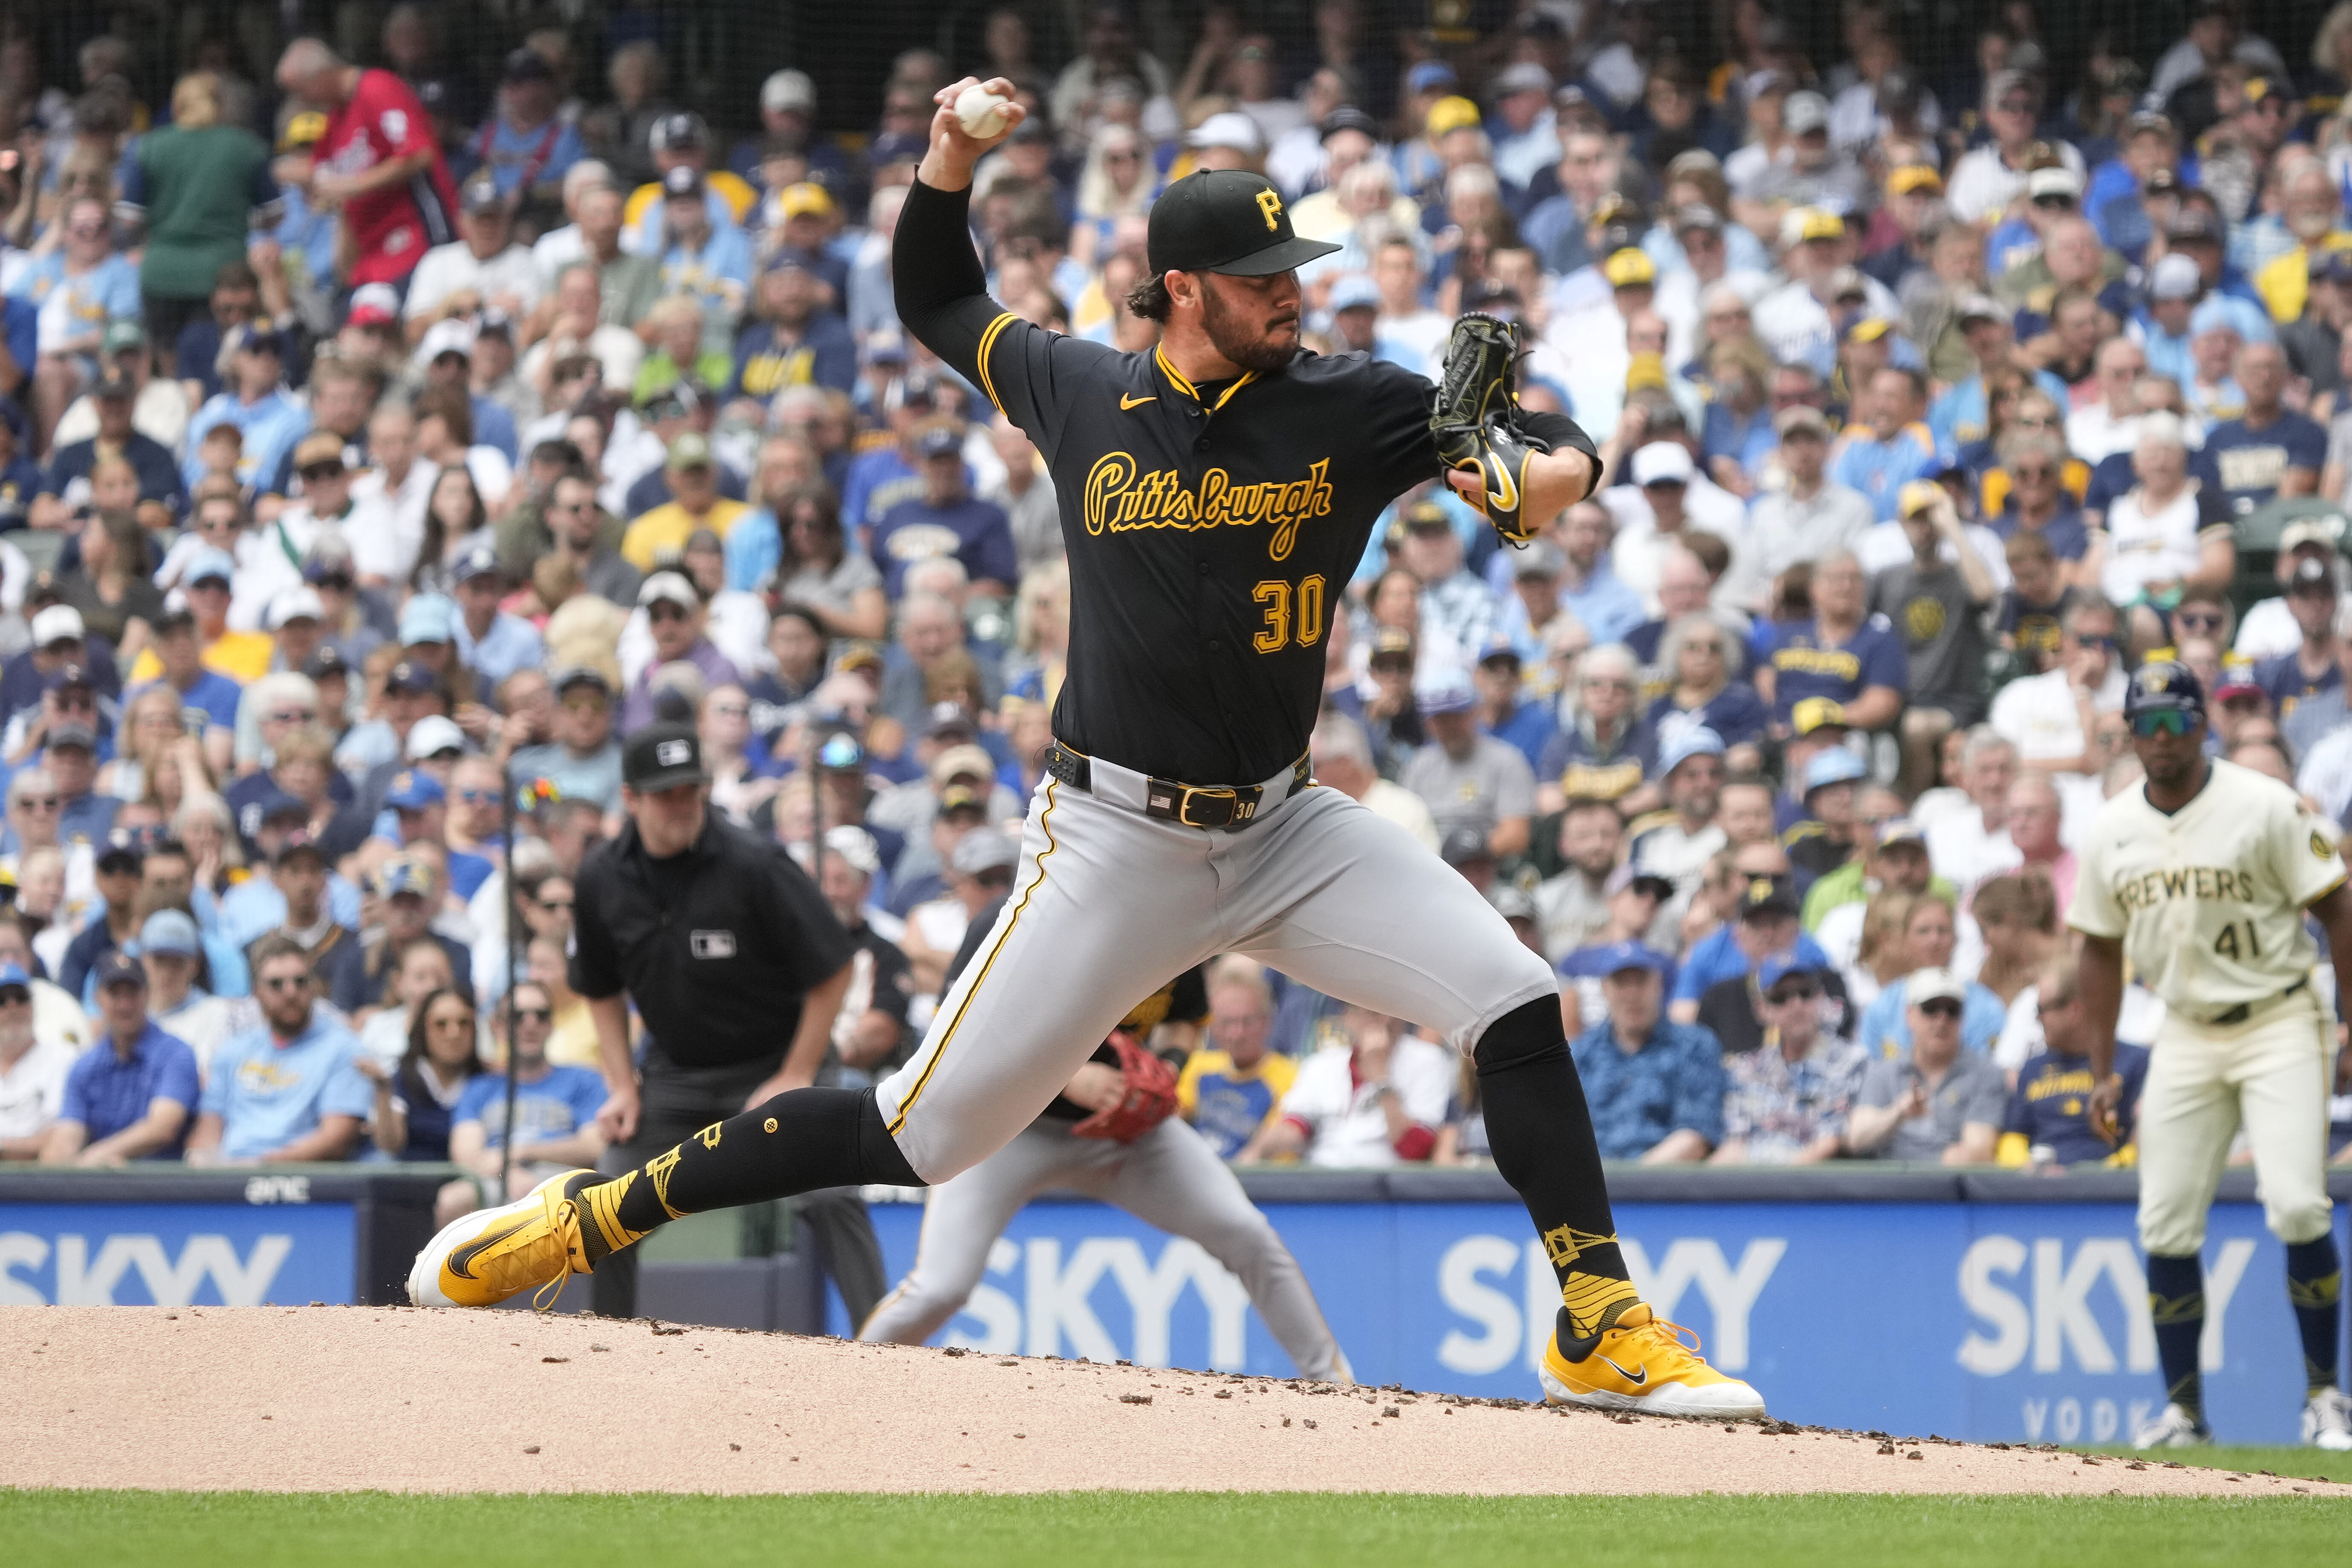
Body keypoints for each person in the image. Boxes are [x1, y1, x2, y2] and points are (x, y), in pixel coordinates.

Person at [408, 80, 1764, 1420]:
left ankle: (1600, 1322)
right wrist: (946, 160)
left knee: (1516, 998)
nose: (1292, 293)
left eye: (1296, 268)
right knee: (916, 1134)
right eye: (1260, 274)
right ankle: (591, 1217)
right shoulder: (1078, 389)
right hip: (1115, 837)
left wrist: (1528, 461)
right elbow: (938, 298)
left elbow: (1554, 452)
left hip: (1289, 828)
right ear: (1183, 287)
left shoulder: (1356, 403)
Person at [2070, 661, 2352, 1452]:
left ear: (2203, 724)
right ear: (2128, 733)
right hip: (2185, 1024)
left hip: (2278, 1014)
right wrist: (2099, 1069)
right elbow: (2095, 946)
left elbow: (2335, 902)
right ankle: (2183, 1410)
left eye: (2175, 720)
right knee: (2162, 1218)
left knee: (2297, 1201)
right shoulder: (2110, 825)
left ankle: (2326, 1396)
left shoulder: (2262, 803)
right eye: (2147, 723)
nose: (2161, 737)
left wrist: (2349, 1024)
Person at [860, 946, 1350, 1381]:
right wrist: (1065, 1075)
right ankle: (848, 1382)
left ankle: (1334, 1384)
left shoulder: (1172, 925)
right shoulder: (1024, 914)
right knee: (939, 1288)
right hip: (1010, 1125)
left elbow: (1186, 1018)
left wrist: (1170, 1068)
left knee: (1248, 1235)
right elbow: (959, 1025)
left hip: (1127, 1130)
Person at [187, 935, 376, 1164]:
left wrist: (263, 1166)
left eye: (300, 981)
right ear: (257, 993)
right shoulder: (232, 1051)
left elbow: (337, 1139)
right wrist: (200, 1164)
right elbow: (209, 1129)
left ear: (314, 987)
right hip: (231, 1177)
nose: (290, 992)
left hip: (306, 1180)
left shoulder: (344, 1048)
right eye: (276, 984)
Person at [434, 979, 608, 1227]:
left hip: (564, 1181)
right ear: (499, 1026)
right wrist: (509, 1171)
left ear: (552, 1024)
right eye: (518, 1016)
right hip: (495, 1180)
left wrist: (522, 1152)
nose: (530, 1025)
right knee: (453, 1199)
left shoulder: (584, 1080)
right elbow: (465, 1154)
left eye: (541, 1015)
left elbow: (594, 1147)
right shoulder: (479, 1088)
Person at [1567, 941, 1725, 1162]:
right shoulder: (1579, 1055)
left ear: (1659, 986)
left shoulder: (1695, 1046)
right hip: (1587, 1184)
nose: (1632, 994)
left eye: (1641, 982)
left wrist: (1632, 1184)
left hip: (1665, 1185)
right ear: (1605, 989)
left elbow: (1697, 1135)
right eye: (1621, 983)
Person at [40, 950, 200, 1165]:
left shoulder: (175, 1054)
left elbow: (162, 1128)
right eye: (115, 993)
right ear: (98, 998)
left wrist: (94, 1158)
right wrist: (62, 1163)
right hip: (101, 1188)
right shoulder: (85, 1067)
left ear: (146, 995)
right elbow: (68, 1133)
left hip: (163, 1188)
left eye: (132, 993)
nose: (125, 1005)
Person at [1712, 953, 1869, 1164]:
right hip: (1751, 1182)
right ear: (1762, 1010)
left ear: (1821, 997)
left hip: (1815, 1185)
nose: (1796, 1005)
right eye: (1780, 998)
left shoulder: (1852, 1062)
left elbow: (1830, 1142)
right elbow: (1734, 1143)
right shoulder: (1745, 1070)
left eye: (1806, 993)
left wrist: (1780, 1188)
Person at [1998, 953, 2148, 1170]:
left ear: (2075, 1010)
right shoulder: (2032, 1069)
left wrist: (2100, 1175)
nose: (2037, 1019)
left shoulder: (2135, 1062)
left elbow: (2143, 1142)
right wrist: (2028, 1168)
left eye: (2042, 1010)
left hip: (2108, 1191)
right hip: (2039, 1190)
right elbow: (2013, 1137)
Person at [1845, 967, 2005, 1164]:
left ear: (1962, 1018)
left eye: (1952, 1010)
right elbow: (1857, 1139)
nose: (1942, 1020)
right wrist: (1899, 1113)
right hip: (1888, 1187)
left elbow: (1977, 1152)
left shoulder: (1986, 1074)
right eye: (1931, 1009)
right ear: (1909, 1015)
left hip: (1951, 1189)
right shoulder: (1884, 1071)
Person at [1177, 961, 1300, 1160]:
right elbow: (1171, 1123)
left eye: (1247, 1022)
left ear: (1267, 1022)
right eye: (1226, 1022)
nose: (1237, 1034)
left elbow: (1274, 1152)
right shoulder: (1198, 1065)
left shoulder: (1290, 1078)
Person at [0, 964, 78, 1159]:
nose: (12, 1007)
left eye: (20, 997)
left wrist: (4, 1148)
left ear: (33, 1004)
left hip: (40, 1179)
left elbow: (62, 1134)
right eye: (1, 1000)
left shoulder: (63, 1058)